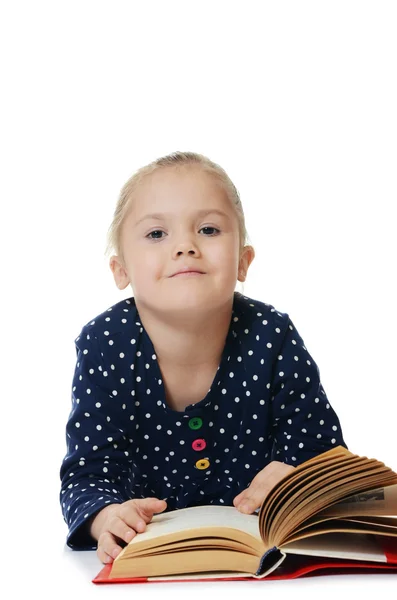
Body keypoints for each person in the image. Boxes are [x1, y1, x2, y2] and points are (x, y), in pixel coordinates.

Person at [59, 151, 347, 565]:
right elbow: (89, 469)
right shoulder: (107, 344)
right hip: (153, 553)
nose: (185, 247)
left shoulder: (272, 336)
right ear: (121, 270)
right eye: (157, 234)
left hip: (264, 547)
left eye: (208, 229)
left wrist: (302, 479)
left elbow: (324, 452)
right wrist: (106, 518)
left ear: (242, 262)